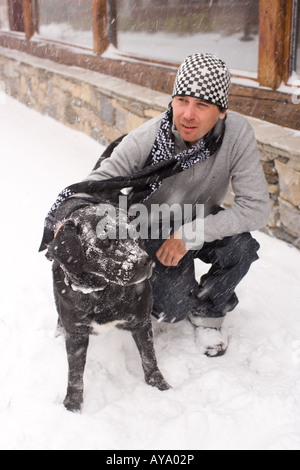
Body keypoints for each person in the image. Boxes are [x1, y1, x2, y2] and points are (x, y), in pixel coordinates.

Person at [48, 53, 270, 357]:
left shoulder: (237, 133)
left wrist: (189, 236)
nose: (188, 115)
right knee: (173, 310)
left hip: (201, 219)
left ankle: (208, 309)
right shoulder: (149, 138)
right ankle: (175, 294)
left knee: (241, 248)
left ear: (221, 111)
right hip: (152, 223)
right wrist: (69, 218)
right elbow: (97, 183)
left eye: (202, 105)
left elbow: (256, 208)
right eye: (181, 100)